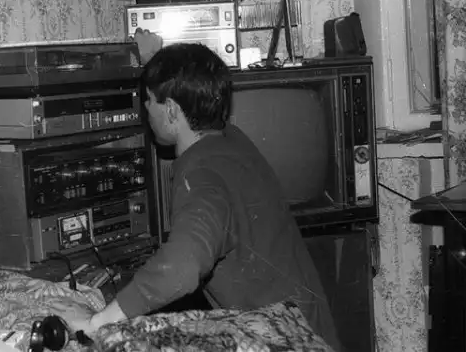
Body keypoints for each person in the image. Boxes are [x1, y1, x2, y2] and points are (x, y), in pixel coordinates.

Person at [65, 30, 342, 350]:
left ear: (171, 110)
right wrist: (151, 64)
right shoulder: (231, 140)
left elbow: (183, 266)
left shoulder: (201, 174)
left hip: (287, 341)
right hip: (309, 331)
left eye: (149, 100)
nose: (146, 107)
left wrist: (96, 322)